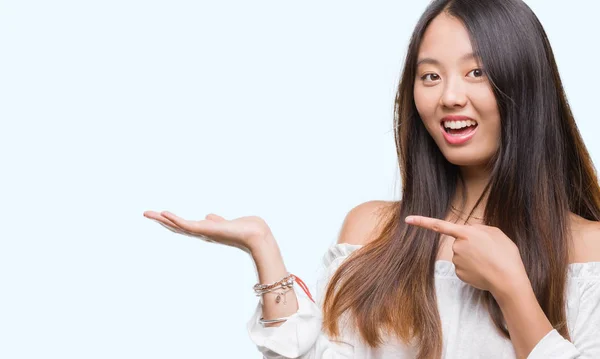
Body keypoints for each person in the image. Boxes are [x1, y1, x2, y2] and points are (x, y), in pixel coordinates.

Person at [143, 0, 600, 357]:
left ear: (525, 84)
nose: (449, 96)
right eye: (430, 76)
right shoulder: (372, 232)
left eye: (476, 72)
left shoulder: (588, 250)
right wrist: (264, 249)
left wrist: (511, 287)